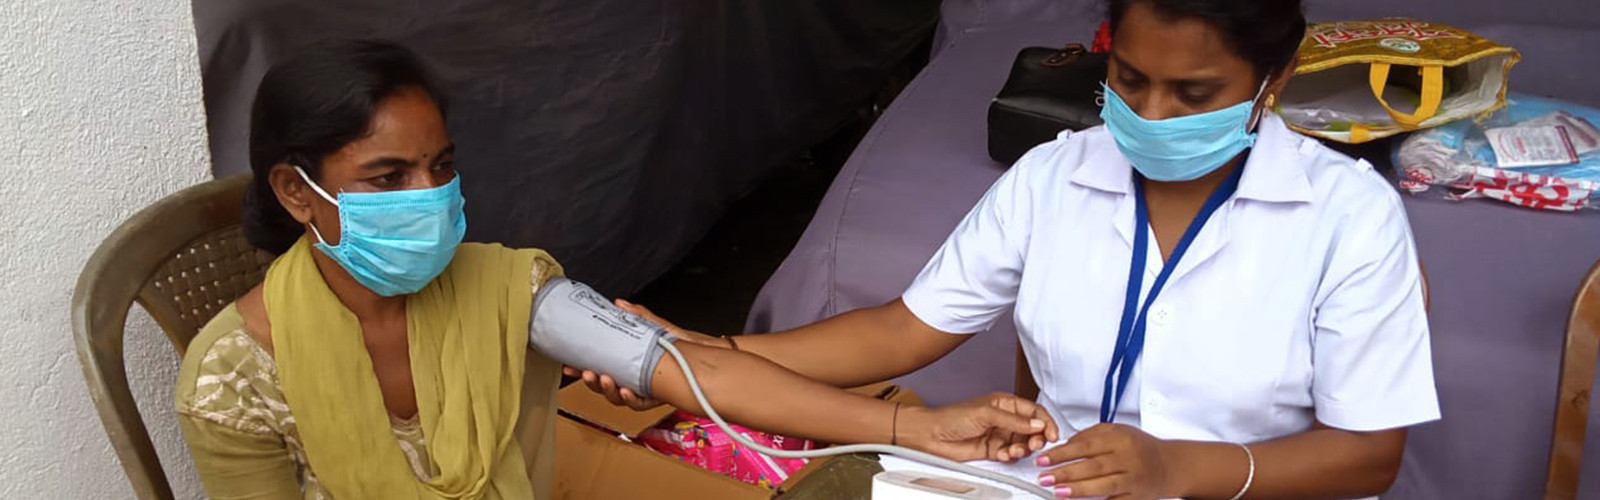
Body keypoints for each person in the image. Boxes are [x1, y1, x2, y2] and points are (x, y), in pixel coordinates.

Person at [575, 0, 1441, 498]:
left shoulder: (1349, 219)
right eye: (1131, 80)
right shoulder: (1058, 175)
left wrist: (1174, 467)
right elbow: (900, 335)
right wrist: (698, 352)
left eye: (1195, 92)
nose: (1155, 113)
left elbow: (1369, 453)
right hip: (1041, 485)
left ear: (1275, 78)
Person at [173, 39, 1057, 499]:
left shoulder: (507, 289)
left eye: (441, 168)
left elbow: (696, 369)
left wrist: (909, 432)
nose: (429, 199)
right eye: (387, 179)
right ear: (296, 192)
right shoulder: (229, 380)